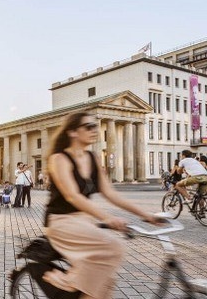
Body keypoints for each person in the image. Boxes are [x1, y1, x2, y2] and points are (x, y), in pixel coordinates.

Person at [43, 112, 162, 298]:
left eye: (95, 126)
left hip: (83, 221)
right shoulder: (59, 159)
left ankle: (77, 284)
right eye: (88, 127)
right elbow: (72, 196)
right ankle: (65, 280)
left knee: (104, 283)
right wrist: (107, 218)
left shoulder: (93, 158)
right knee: (114, 246)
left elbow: (111, 194)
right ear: (73, 132)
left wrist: (146, 215)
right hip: (60, 222)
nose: (95, 130)